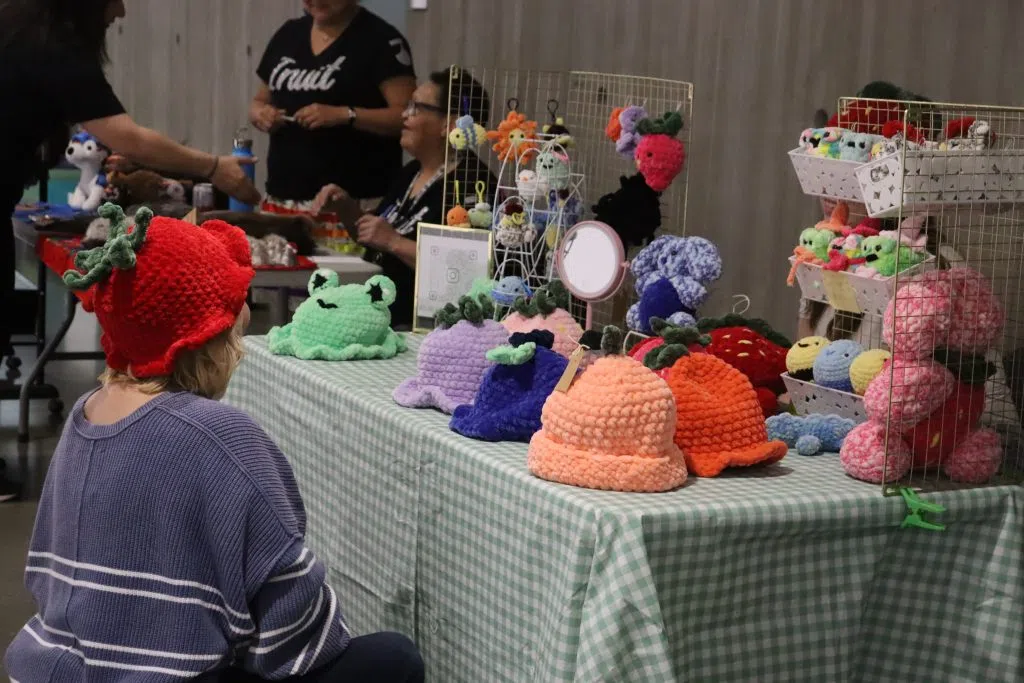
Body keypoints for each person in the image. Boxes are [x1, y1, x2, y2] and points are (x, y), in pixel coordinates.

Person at [4, 207, 424, 682]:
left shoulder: (85, 413)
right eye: (235, 303)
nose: (244, 315)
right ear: (209, 333)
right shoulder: (222, 436)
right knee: (394, 657)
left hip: (50, 668)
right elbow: (291, 620)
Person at [0, 0, 260, 501]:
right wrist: (212, 167)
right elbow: (127, 135)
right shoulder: (53, 46)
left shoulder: (21, 30)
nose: (120, 11)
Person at [311, 67, 497, 329]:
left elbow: (468, 269)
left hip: (427, 328)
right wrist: (345, 206)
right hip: (382, 313)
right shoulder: (412, 171)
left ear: (450, 125)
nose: (404, 115)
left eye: (416, 108)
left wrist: (394, 241)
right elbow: (374, 234)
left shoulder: (473, 186)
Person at [251, 0, 416, 211]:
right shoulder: (288, 34)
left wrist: (346, 115)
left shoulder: (382, 39)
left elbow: (408, 115)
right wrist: (261, 114)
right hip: (283, 198)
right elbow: (259, 101)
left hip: (356, 203)